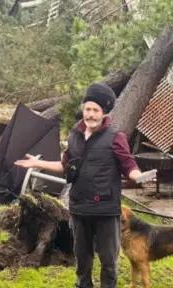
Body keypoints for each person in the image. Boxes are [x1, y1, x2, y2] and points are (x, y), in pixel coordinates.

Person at [14, 82, 156, 288]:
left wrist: (139, 176)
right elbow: (65, 165)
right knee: (82, 258)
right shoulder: (75, 136)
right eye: (87, 109)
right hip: (79, 208)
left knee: (108, 260)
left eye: (95, 110)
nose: (90, 114)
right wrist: (38, 163)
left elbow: (128, 165)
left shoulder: (116, 138)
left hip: (106, 210)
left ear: (104, 113)